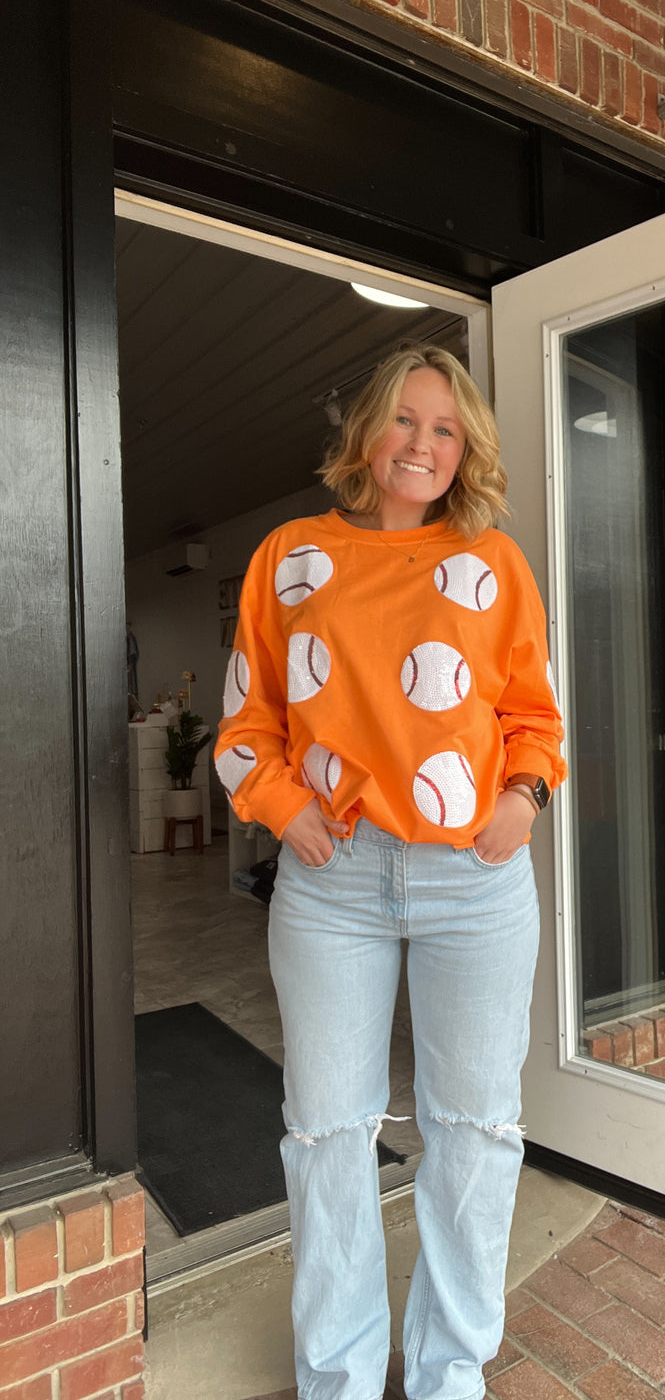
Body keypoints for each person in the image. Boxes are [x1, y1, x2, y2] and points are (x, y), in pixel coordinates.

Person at [214, 345, 566, 1400]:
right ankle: (340, 1377)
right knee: (325, 1134)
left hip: (475, 879)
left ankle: (453, 1373)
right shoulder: (289, 554)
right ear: (367, 432)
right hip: (334, 883)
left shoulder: (492, 561)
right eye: (405, 422)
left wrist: (521, 801)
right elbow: (248, 724)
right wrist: (286, 814)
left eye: (445, 430)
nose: (422, 444)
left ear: (466, 452)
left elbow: (531, 717)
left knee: (474, 1131)